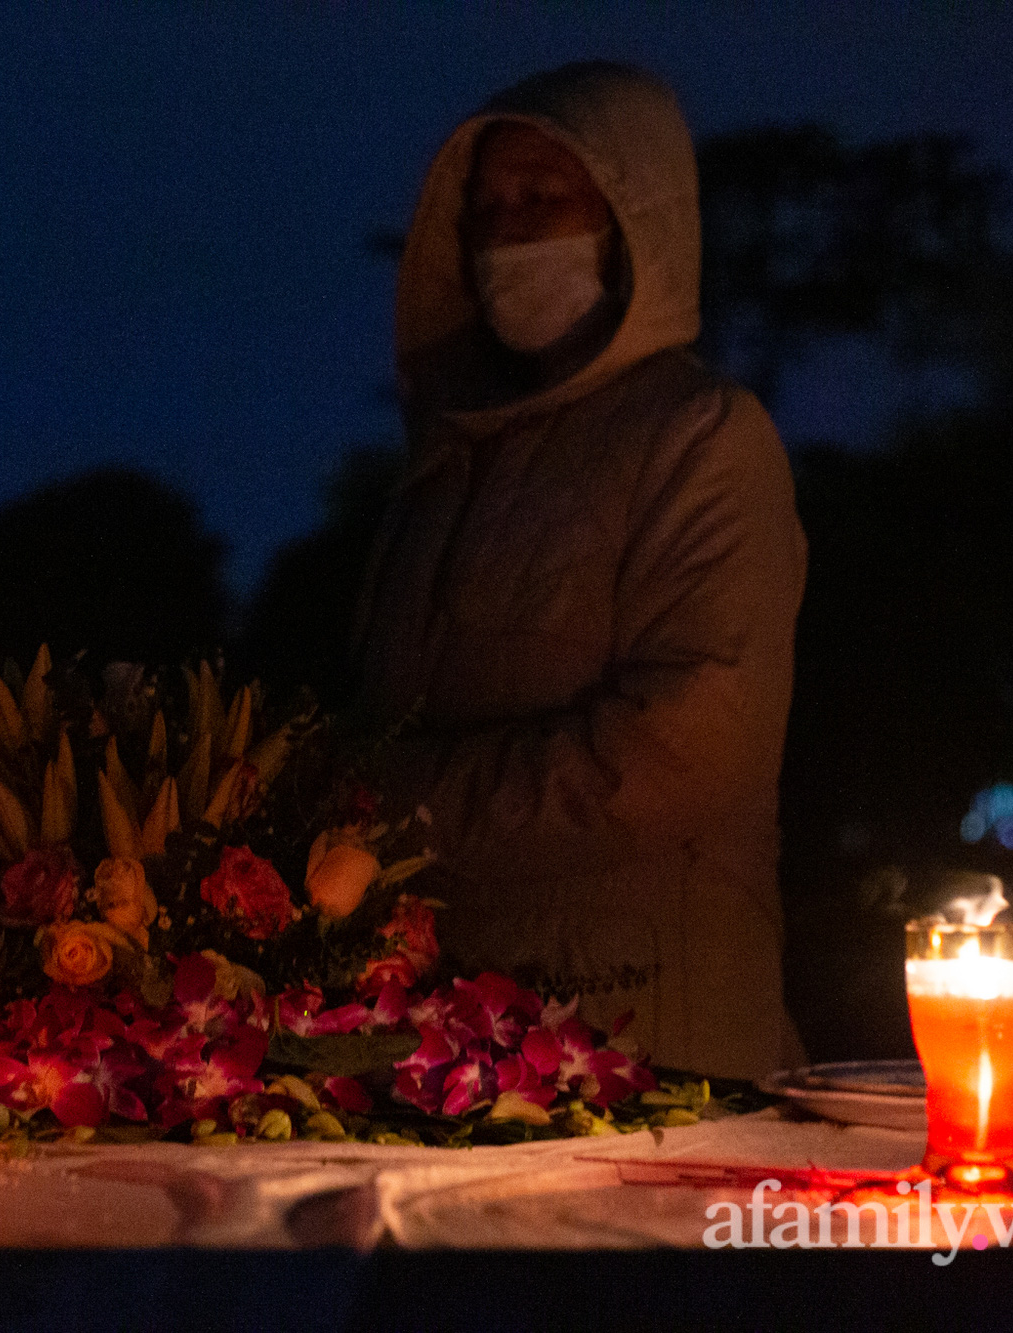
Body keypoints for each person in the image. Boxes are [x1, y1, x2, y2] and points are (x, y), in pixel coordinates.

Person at [354, 62, 807, 1079]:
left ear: (629, 215)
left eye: (543, 197)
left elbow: (687, 744)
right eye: (487, 207)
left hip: (650, 1049)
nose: (510, 229)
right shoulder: (443, 470)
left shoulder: (700, 439)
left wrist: (378, 811)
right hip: (451, 1051)